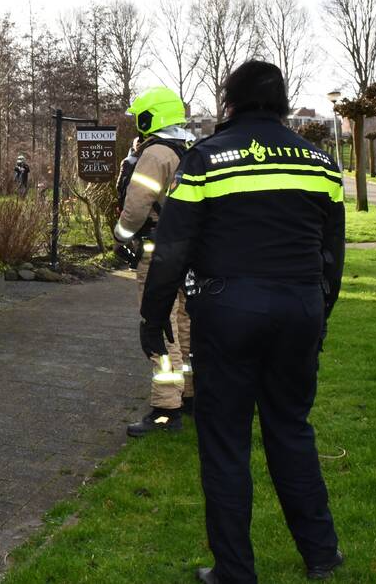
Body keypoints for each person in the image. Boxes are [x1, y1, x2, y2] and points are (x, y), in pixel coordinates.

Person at [140, 60, 345, 584]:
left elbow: (172, 248)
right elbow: (332, 251)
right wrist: (320, 314)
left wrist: (152, 313)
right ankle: (321, 553)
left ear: (229, 103)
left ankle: (234, 570)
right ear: (280, 102)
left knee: (226, 440)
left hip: (229, 311)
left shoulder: (207, 160)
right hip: (299, 306)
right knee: (291, 429)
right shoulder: (320, 163)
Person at [115, 86, 195, 437]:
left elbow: (136, 207)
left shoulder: (155, 154)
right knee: (186, 326)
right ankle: (190, 396)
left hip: (158, 254)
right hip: (190, 255)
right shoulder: (188, 151)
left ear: (151, 118)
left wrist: (120, 234)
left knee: (160, 329)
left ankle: (166, 410)